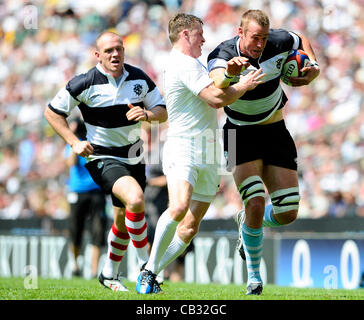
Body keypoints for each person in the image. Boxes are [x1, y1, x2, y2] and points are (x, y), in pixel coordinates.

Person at [136, 13, 265, 294]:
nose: (204, 39)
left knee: (191, 226)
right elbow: (216, 99)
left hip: (208, 149)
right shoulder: (181, 63)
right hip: (183, 146)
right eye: (199, 34)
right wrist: (243, 84)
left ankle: (151, 271)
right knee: (179, 207)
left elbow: (216, 86)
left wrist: (230, 72)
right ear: (185, 35)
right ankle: (148, 271)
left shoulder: (192, 63)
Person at [207, 9, 320, 295]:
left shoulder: (279, 41)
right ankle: (254, 278)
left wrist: (313, 67)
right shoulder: (222, 53)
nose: (259, 44)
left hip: (275, 130)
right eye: (254, 37)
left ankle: (247, 223)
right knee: (255, 202)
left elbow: (300, 38)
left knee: (287, 214)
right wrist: (231, 75)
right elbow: (218, 82)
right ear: (239, 32)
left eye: (264, 38)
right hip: (238, 134)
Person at [44, 31, 167, 292]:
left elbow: (162, 111)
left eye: (119, 49)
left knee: (122, 220)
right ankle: (147, 268)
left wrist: (146, 113)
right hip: (102, 157)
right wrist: (74, 142)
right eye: (109, 50)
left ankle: (109, 274)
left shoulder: (139, 78)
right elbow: (52, 112)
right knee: (135, 198)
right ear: (97, 55)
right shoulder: (84, 82)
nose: (115, 54)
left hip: (134, 157)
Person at [65, 118, 107, 278]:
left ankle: (93, 271)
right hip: (78, 191)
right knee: (76, 229)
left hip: (96, 191)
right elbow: (70, 163)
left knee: (98, 230)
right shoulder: (72, 144)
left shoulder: (95, 143)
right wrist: (74, 144)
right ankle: (75, 264)